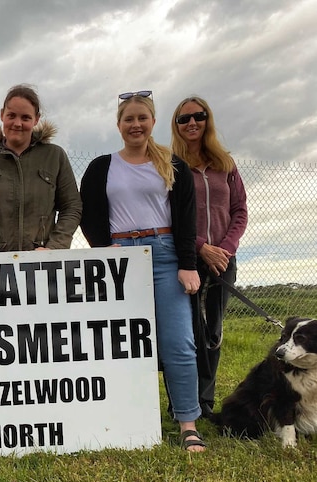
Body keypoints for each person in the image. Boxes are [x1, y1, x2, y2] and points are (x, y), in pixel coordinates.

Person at [80, 91, 205, 452]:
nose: (135, 125)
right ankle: (120, 415)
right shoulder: (102, 166)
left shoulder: (172, 163)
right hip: (119, 258)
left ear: (152, 121)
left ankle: (187, 423)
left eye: (142, 118)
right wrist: (103, 249)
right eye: (128, 119)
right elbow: (89, 213)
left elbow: (186, 218)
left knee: (178, 342)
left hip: (165, 255)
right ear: (118, 125)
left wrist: (187, 264)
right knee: (116, 343)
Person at [171, 96, 248, 417]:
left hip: (223, 260)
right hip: (189, 258)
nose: (192, 123)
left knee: (213, 332)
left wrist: (225, 250)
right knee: (188, 332)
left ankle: (205, 402)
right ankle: (182, 403)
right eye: (184, 118)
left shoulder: (225, 165)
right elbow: (171, 213)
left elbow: (239, 210)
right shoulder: (171, 165)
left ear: (207, 120)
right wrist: (201, 245)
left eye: (198, 116)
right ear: (176, 125)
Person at [0, 84, 81, 252]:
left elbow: (72, 207)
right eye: (11, 116)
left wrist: (54, 248)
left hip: (41, 263)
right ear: (2, 115)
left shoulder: (55, 157)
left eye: (25, 117)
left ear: (36, 119)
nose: (17, 123)